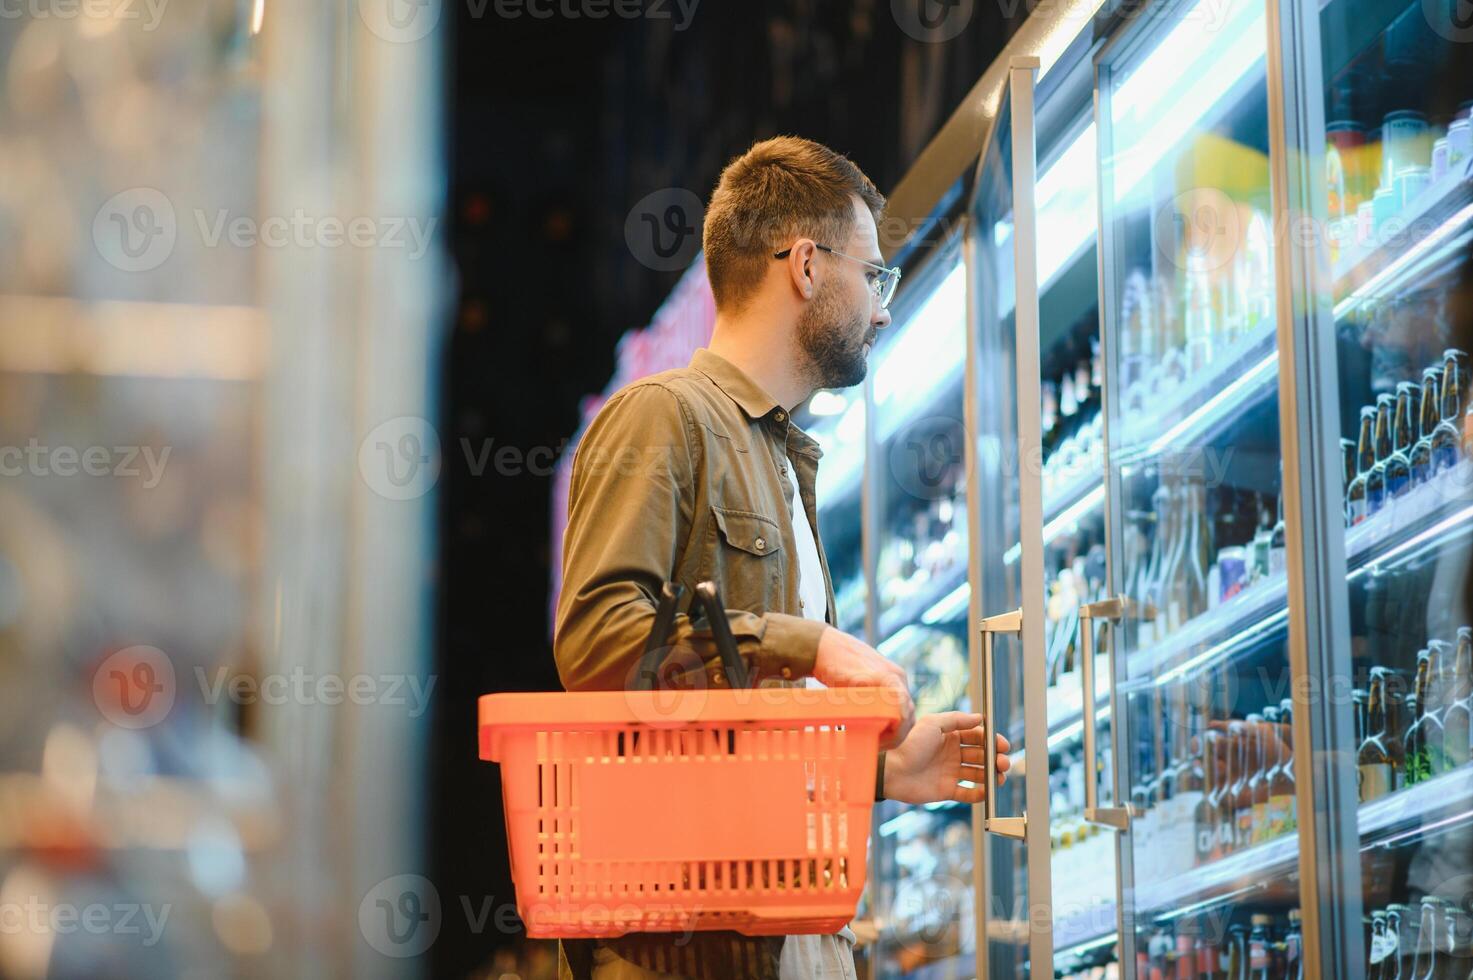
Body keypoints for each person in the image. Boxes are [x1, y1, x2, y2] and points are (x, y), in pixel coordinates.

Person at [554, 136, 1009, 980]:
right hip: (694, 952)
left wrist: (878, 770)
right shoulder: (663, 417)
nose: (880, 309)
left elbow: (726, 734)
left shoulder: (780, 459)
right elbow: (596, 639)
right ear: (804, 264)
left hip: (792, 932)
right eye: (872, 276)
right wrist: (812, 645)